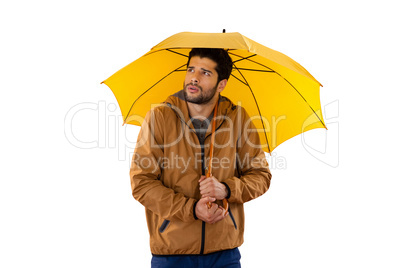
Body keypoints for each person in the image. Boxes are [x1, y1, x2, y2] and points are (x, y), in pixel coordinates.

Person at [130, 48, 272, 268]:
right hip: (171, 253)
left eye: (205, 73)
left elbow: (261, 176)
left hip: (224, 254)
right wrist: (191, 209)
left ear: (221, 83)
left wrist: (226, 189)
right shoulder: (158, 118)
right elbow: (141, 183)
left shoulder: (238, 119)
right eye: (191, 69)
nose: (193, 78)